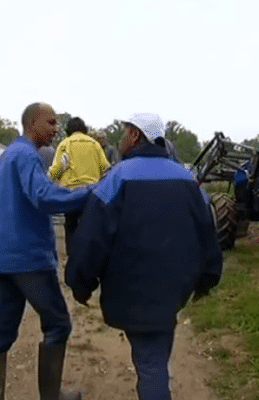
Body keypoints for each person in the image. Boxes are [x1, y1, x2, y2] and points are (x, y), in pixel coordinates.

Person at [65, 113, 223, 400]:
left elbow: (92, 238)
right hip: (174, 288)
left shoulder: (118, 178)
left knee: (150, 365)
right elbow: (208, 234)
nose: (121, 137)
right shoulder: (189, 181)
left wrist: (80, 281)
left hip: (135, 289)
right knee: (156, 356)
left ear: (136, 136)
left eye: (125, 131)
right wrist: (208, 278)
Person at [0, 103, 87, 400]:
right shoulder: (26, 156)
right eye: (50, 122)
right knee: (58, 324)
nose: (55, 128)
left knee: (2, 332)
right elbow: (45, 196)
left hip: (0, 257)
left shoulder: (7, 157)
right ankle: (53, 396)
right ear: (32, 123)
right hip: (26, 257)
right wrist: (89, 192)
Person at [48, 117, 109, 256]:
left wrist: (47, 178)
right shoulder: (94, 144)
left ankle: (71, 258)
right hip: (91, 191)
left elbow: (58, 168)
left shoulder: (65, 144)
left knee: (70, 226)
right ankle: (89, 257)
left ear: (69, 130)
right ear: (85, 129)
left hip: (71, 193)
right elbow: (105, 168)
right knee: (90, 226)